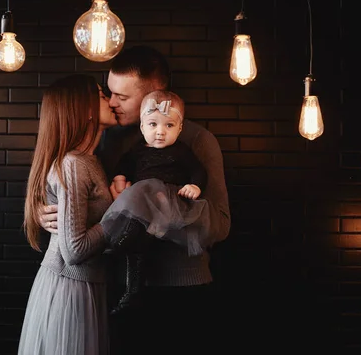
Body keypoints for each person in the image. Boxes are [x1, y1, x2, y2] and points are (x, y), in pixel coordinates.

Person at [38, 45, 231, 355]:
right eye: (109, 94)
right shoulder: (110, 139)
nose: (112, 103)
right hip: (118, 286)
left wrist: (155, 206)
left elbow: (220, 226)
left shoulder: (197, 141)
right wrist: (44, 210)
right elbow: (80, 191)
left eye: (122, 97)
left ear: (155, 97)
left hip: (180, 288)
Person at [17, 74, 117, 355]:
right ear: (85, 110)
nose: (109, 100)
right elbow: (74, 250)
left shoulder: (88, 160)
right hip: (70, 289)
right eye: (101, 95)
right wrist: (121, 210)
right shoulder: (73, 164)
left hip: (85, 285)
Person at [100, 89, 212, 315]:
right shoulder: (137, 150)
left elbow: (198, 171)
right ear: (142, 127)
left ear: (179, 129)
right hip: (143, 203)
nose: (160, 132)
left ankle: (124, 244)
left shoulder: (181, 151)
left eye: (169, 126)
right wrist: (120, 177)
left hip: (168, 202)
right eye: (152, 125)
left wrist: (194, 186)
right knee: (138, 250)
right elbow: (124, 163)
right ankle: (133, 291)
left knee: (146, 244)